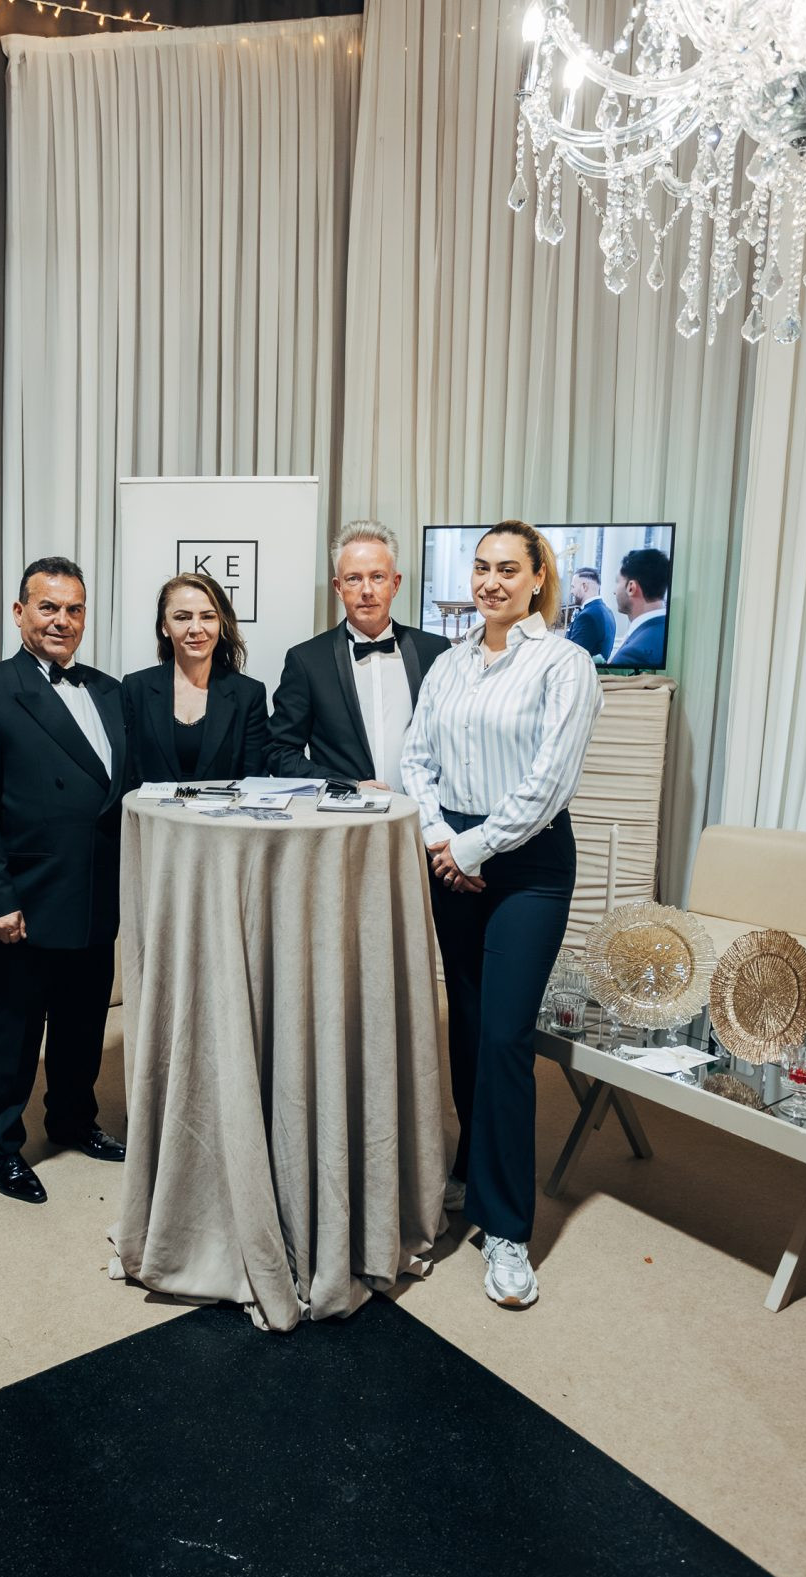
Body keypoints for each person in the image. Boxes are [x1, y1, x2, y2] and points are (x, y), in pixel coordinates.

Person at [401, 520, 602, 1310]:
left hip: (528, 868)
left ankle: (508, 1228)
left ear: (537, 577)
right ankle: (470, 1166)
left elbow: (550, 780)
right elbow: (416, 757)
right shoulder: (448, 664)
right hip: (452, 853)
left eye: (507, 569)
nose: (490, 581)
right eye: (481, 567)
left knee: (507, 1037)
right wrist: (439, 838)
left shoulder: (565, 663)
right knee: (467, 1022)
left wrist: (473, 847)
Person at [0, 557, 127, 1206]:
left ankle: (73, 1120)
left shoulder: (109, 690)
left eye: (74, 609)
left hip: (95, 889)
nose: (62, 620)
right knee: (12, 1030)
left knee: (83, 1023)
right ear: (19, 612)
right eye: (48, 607)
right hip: (23, 896)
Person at [267, 520, 449, 785]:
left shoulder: (435, 651)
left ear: (395, 584)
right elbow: (279, 751)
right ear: (338, 588)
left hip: (421, 808)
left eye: (377, 577)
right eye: (353, 578)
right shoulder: (306, 661)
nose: (366, 590)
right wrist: (346, 786)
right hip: (342, 809)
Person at [123, 572, 269, 784]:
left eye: (208, 617)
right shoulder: (136, 688)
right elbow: (128, 774)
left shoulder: (249, 695)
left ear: (221, 623)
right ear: (164, 626)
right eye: (182, 617)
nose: (196, 629)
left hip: (223, 807)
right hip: (151, 807)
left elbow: (254, 782)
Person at [607, 547, 670, 668]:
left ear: (631, 587)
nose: (614, 591)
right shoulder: (666, 629)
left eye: (617, 582)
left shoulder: (634, 653)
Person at [565, 566, 616, 661]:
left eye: (573, 587)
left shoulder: (587, 616)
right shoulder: (608, 612)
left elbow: (573, 656)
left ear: (584, 587)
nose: (571, 592)